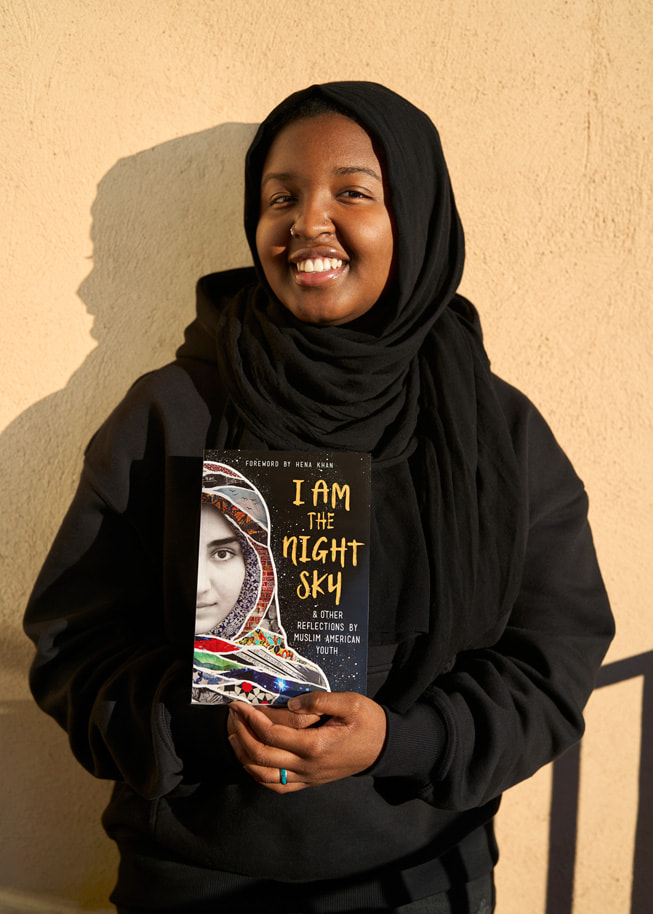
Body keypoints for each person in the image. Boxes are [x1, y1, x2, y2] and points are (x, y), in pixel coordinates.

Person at [24, 82, 614, 914]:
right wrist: (202, 726)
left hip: (417, 881)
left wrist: (401, 742)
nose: (308, 222)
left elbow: (552, 657)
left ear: (414, 216)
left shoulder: (492, 431)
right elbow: (74, 647)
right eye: (281, 198)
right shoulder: (173, 412)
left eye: (352, 193)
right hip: (194, 882)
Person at [193, 463, 330, 705]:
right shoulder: (134, 659)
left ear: (255, 568)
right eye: (185, 553)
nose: (200, 586)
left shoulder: (302, 682)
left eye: (222, 554)